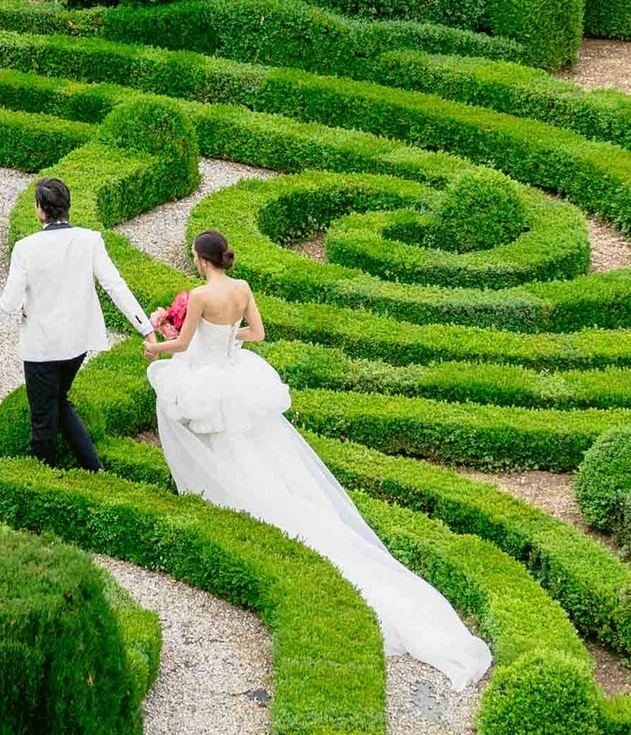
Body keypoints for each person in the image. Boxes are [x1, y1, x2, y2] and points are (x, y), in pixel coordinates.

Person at [145, 230, 491, 689]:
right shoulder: (242, 287)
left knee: (189, 412)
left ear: (198, 258)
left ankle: (222, 501)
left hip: (210, 380)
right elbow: (258, 333)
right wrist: (228, 343)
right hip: (236, 376)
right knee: (256, 451)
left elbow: (184, 347)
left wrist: (155, 340)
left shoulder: (203, 295)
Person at [0, 174, 150, 470]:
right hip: (78, 343)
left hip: (41, 347)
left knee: (42, 421)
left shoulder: (25, 248)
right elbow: (115, 285)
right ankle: (94, 469)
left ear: (40, 209)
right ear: (67, 206)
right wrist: (145, 327)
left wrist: (8, 309)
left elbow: (10, 303)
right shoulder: (90, 240)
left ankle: (46, 482)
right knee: (60, 400)